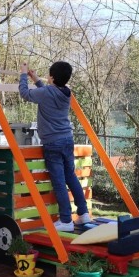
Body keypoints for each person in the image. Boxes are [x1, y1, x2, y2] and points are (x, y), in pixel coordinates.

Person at [19, 61, 91, 232]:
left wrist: (23, 74)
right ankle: (83, 214)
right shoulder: (66, 92)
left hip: (53, 143)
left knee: (58, 181)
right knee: (70, 177)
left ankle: (66, 220)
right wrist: (36, 79)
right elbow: (47, 92)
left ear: (51, 77)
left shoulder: (47, 92)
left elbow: (24, 94)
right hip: (67, 139)